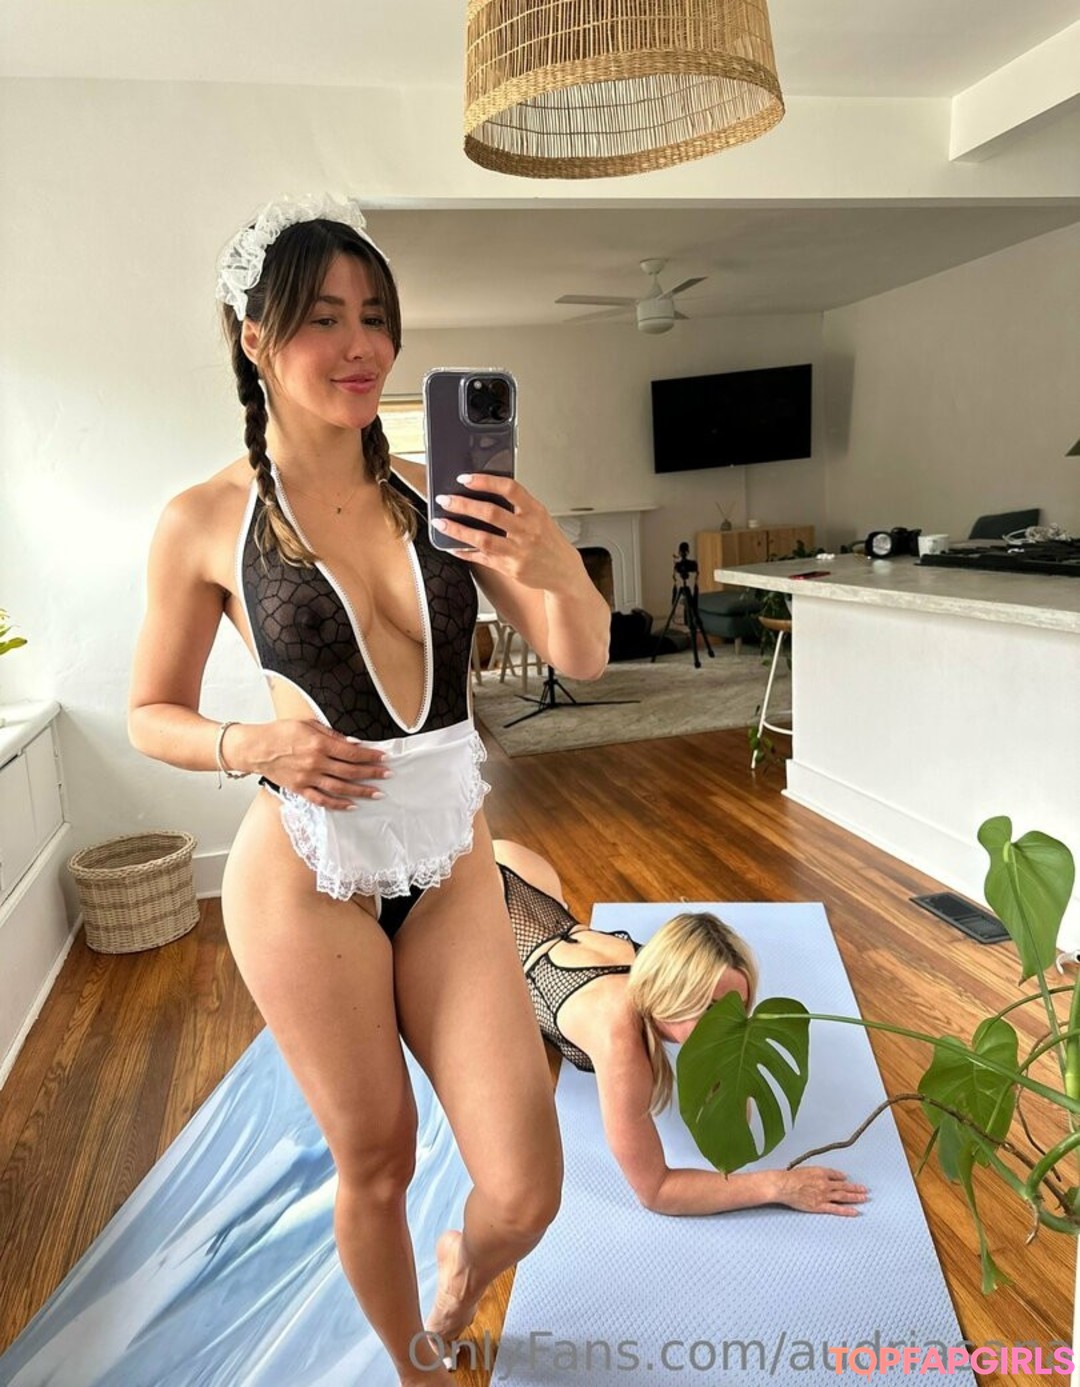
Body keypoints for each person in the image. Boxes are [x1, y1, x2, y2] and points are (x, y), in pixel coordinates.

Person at [127, 194, 611, 1387]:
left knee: (526, 1189)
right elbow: (150, 713)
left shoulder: (444, 497)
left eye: (378, 317)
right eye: (325, 319)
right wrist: (256, 745)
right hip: (307, 872)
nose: (362, 347)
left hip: (450, 860)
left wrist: (551, 559)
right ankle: (417, 1365)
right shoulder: (204, 521)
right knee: (378, 1158)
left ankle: (460, 1273)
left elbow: (585, 655)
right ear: (255, 339)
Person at [492, 840, 869, 1218]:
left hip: (528, 875)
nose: (727, 1024)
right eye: (707, 1008)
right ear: (673, 997)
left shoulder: (665, 965)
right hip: (493, 918)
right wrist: (779, 1186)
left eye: (736, 1007)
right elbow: (655, 1189)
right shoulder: (617, 1035)